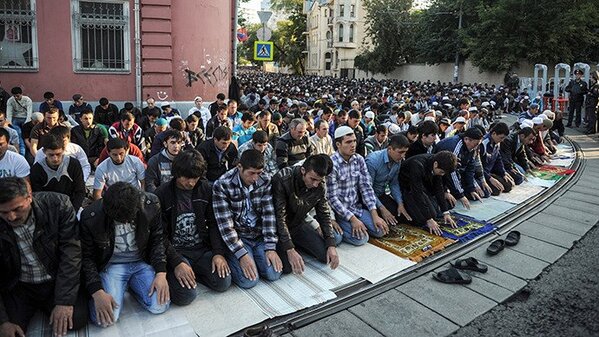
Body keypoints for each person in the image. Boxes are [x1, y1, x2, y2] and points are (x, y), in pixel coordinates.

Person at [0, 177, 88, 337]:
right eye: (4, 212)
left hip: (54, 280)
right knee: (10, 330)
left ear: (29, 197)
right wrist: (3, 321)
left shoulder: (58, 204)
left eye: (17, 209)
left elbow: (71, 254)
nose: (11, 217)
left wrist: (64, 301)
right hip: (20, 286)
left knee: (76, 318)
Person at [80, 182, 170, 327]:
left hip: (142, 262)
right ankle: (118, 289)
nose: (127, 221)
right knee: (104, 320)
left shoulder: (150, 204)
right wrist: (96, 291)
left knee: (160, 305)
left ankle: (132, 287)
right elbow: (87, 256)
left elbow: (157, 239)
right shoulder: (91, 216)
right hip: (111, 265)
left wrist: (161, 272)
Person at [154, 150, 232, 305]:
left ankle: (193, 272)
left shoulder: (205, 189)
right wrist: (176, 262)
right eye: (186, 178)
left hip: (201, 249)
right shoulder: (162, 194)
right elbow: (159, 235)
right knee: (186, 296)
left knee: (223, 282)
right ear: (176, 173)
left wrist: (218, 253)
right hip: (176, 251)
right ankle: (183, 272)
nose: (190, 183)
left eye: (194, 179)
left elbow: (214, 223)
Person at [212, 150, 282, 288]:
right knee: (248, 280)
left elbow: (268, 215)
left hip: (258, 234)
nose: (255, 178)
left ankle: (256, 258)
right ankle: (238, 258)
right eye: (251, 173)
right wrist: (241, 254)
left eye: (259, 173)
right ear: (239, 167)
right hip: (239, 237)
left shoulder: (265, 180)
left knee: (274, 273)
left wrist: (270, 246)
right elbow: (226, 226)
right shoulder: (222, 185)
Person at [272, 155, 341, 275]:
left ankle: (298, 244)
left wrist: (331, 244)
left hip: (298, 224)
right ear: (303, 170)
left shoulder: (319, 184)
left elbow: (324, 213)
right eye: (313, 179)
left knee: (327, 255)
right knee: (287, 268)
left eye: (319, 180)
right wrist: (289, 248)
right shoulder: (283, 179)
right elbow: (280, 217)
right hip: (278, 228)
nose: (315, 184)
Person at [327, 126, 388, 246]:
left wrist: (375, 215)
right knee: (361, 239)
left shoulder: (359, 159)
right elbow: (332, 199)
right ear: (338, 144)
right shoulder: (332, 164)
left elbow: (366, 188)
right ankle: (342, 228)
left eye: (354, 141)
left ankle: (353, 227)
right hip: (339, 212)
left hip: (355, 208)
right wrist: (353, 220)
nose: (353, 145)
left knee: (381, 230)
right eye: (348, 142)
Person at [399, 152, 458, 235]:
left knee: (440, 210)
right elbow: (417, 193)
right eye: (441, 172)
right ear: (435, 164)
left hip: (422, 186)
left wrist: (446, 212)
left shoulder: (437, 163)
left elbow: (439, 188)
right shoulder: (417, 164)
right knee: (423, 219)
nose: (442, 174)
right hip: (407, 188)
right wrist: (429, 219)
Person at [30, 133, 86, 210]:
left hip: (71, 206)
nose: (55, 159)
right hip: (48, 209)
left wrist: (73, 210)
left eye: (58, 154)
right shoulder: (37, 169)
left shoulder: (73, 164)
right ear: (44, 152)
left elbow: (80, 191)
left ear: (63, 150)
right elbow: (38, 196)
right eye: (51, 155)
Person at [365, 135, 412, 226]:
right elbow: (367, 190)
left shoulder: (397, 160)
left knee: (402, 217)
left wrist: (400, 203)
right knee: (380, 226)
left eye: (405, 152)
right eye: (400, 152)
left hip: (381, 195)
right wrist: (382, 209)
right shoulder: (373, 161)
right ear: (390, 149)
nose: (403, 156)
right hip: (368, 198)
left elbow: (393, 183)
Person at [435, 128, 486, 209]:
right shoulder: (454, 146)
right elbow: (451, 172)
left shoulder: (472, 148)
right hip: (440, 177)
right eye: (475, 144)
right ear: (466, 139)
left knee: (483, 193)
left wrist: (471, 188)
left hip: (458, 175)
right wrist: (460, 195)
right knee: (449, 205)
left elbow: (470, 168)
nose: (476, 147)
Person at [480, 122, 516, 196]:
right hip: (481, 174)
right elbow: (478, 167)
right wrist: (490, 178)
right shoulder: (483, 144)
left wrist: (503, 173)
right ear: (494, 134)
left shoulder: (497, 143)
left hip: (489, 172)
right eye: (501, 138)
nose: (502, 140)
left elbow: (498, 159)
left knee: (508, 185)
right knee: (495, 190)